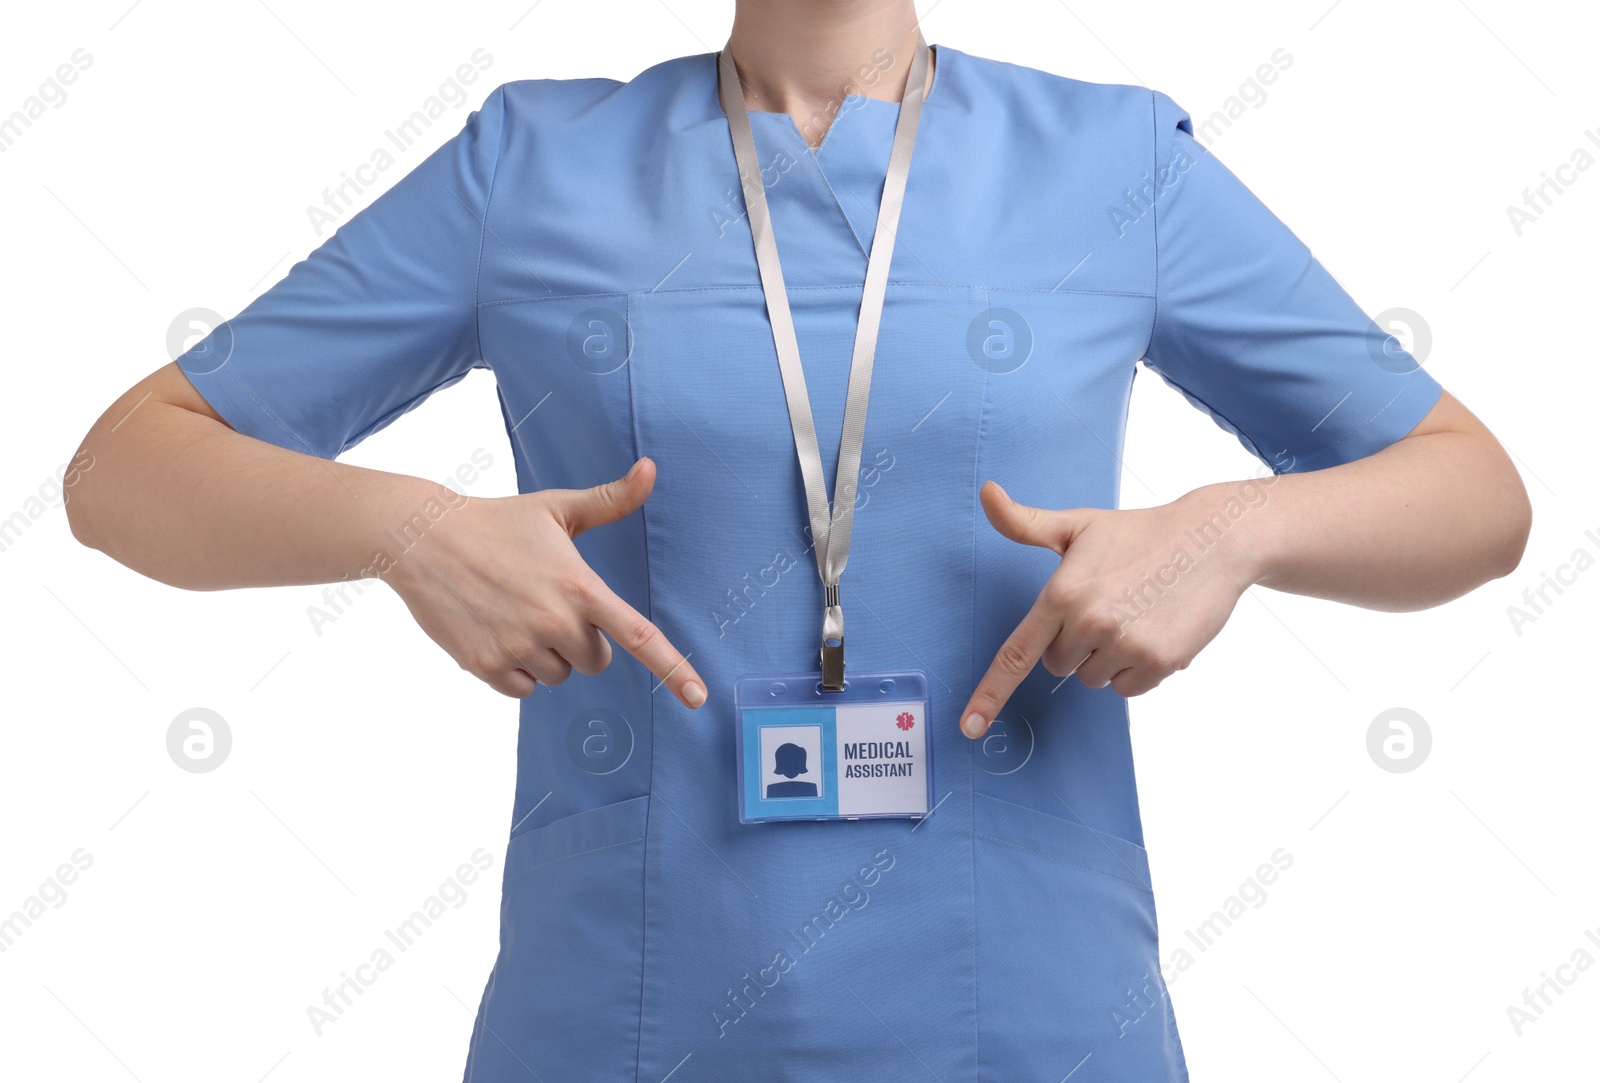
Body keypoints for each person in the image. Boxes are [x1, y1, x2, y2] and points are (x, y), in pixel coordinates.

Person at [63, 0, 1531, 1078]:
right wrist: (407, 528)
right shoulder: (534, 161)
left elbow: (1472, 495)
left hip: (1037, 1020)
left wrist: (1237, 527)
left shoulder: (1113, 161)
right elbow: (125, 467)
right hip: (623, 1024)